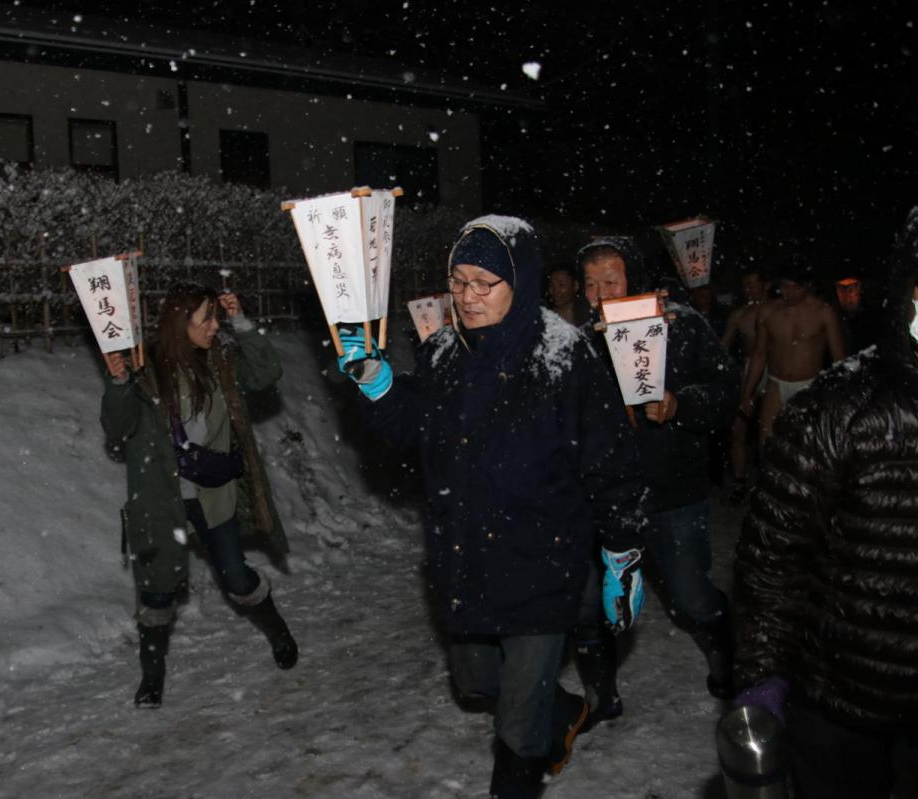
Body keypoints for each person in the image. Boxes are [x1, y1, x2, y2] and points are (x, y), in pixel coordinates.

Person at [337, 216, 647, 798]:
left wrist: (622, 548)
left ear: (521, 282)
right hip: (466, 556)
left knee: (516, 726)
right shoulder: (443, 355)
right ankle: (560, 709)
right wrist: (380, 386)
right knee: (477, 680)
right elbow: (417, 428)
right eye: (458, 282)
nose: (468, 297)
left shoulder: (566, 357)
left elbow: (612, 462)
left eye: (485, 282)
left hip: (541, 562)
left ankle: (525, 759)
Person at [733, 208, 918, 799]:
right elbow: (774, 560)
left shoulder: (819, 315)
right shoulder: (834, 404)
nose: (784, 289)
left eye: (789, 282)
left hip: (816, 384)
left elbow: (837, 352)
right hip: (842, 694)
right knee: (784, 485)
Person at [100, 282, 297, 709]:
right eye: (205, 318)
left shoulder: (221, 364)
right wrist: (118, 384)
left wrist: (242, 323)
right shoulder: (143, 368)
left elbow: (266, 374)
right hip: (160, 497)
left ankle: (277, 629)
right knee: (156, 591)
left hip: (213, 492)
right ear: (179, 323)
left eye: (216, 317)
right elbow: (117, 428)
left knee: (235, 576)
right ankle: (152, 675)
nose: (214, 326)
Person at [577, 236, 739, 700]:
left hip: (674, 492)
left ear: (634, 278)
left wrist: (679, 404)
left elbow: (726, 392)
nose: (600, 293)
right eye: (590, 283)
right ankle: (600, 695)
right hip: (607, 497)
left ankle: (726, 653)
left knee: (691, 595)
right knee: (592, 601)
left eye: (611, 280)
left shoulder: (681, 324)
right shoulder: (584, 339)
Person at [739, 262, 846, 447]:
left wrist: (841, 395)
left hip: (809, 385)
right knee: (767, 444)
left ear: (806, 286)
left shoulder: (823, 312)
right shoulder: (768, 312)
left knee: (809, 446)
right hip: (776, 384)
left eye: (794, 287)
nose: (788, 292)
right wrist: (747, 393)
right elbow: (759, 355)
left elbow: (839, 358)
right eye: (784, 286)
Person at [720, 268, 771, 504]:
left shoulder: (777, 310)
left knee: (771, 431)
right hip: (748, 367)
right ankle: (740, 481)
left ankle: (770, 482)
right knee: (738, 428)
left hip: (776, 369)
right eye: (746, 286)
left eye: (753, 284)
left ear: (765, 285)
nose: (749, 290)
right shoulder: (739, 315)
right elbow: (722, 349)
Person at [545, 262, 590, 326]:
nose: (556, 291)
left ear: (575, 286)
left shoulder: (587, 315)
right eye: (552, 285)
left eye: (561, 285)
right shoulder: (546, 318)